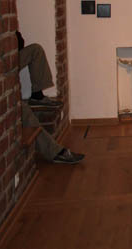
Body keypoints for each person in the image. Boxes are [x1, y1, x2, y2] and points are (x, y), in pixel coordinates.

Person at [17, 31, 85, 164]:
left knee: (36, 49)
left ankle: (37, 96)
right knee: (23, 110)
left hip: (3, 63)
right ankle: (55, 152)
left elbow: (19, 42)